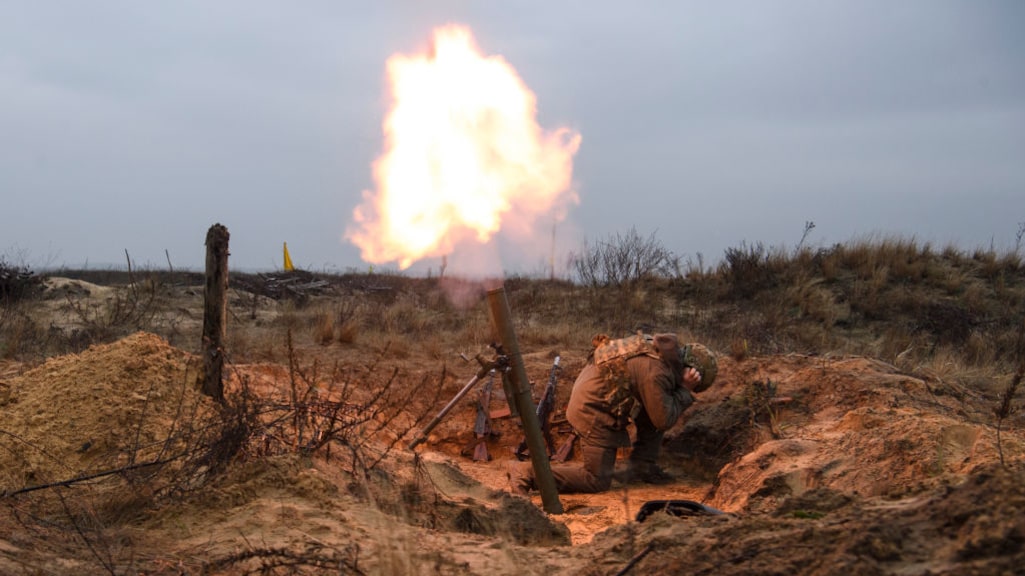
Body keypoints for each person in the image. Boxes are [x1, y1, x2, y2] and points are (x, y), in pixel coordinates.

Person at [508, 332, 718, 494]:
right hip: (591, 408)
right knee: (596, 480)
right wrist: (685, 391)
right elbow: (664, 420)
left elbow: (655, 413)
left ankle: (642, 467)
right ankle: (528, 473)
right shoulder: (657, 372)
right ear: (689, 369)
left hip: (592, 390)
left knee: (658, 405)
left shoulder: (658, 352)